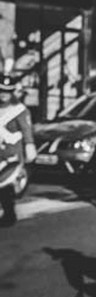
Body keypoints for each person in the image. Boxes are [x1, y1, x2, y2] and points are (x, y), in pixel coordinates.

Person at [0, 74, 34, 227]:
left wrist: (29, 146)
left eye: (7, 91)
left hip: (11, 154)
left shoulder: (19, 110)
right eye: (1, 91)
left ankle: (9, 214)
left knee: (5, 185)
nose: (4, 94)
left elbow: (26, 130)